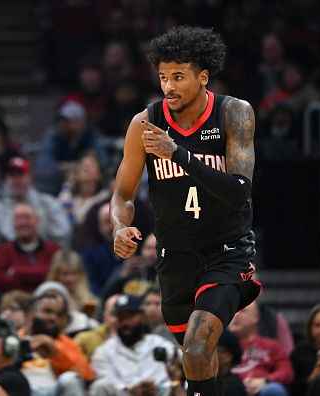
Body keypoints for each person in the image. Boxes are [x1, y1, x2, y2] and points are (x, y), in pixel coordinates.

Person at [110, 26, 261, 396]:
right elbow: (122, 195)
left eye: (178, 76)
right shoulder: (143, 124)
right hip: (175, 256)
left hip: (226, 252)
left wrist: (177, 153)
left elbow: (240, 192)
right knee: (198, 359)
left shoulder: (234, 114)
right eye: (163, 77)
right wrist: (118, 226)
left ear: (203, 77)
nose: (169, 86)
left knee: (196, 347)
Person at [89, 293, 181, 396]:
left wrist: (173, 378)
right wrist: (131, 389)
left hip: (159, 393)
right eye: (121, 317)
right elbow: (108, 381)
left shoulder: (158, 342)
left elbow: (184, 359)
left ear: (142, 317)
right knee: (100, 386)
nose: (125, 322)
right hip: (125, 394)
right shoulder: (103, 351)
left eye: (130, 316)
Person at [0, 202, 62, 293]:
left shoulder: (54, 250)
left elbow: (57, 278)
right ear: (12, 223)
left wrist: (16, 272)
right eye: (18, 218)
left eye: (27, 217)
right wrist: (42, 273)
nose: (22, 222)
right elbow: (0, 282)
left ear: (37, 221)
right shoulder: (1, 252)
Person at [228, 302, 293, 396]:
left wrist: (265, 380)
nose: (236, 314)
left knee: (274, 389)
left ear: (256, 317)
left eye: (242, 311)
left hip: (262, 390)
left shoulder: (272, 346)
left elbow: (286, 371)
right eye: (233, 311)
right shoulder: (216, 347)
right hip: (229, 389)